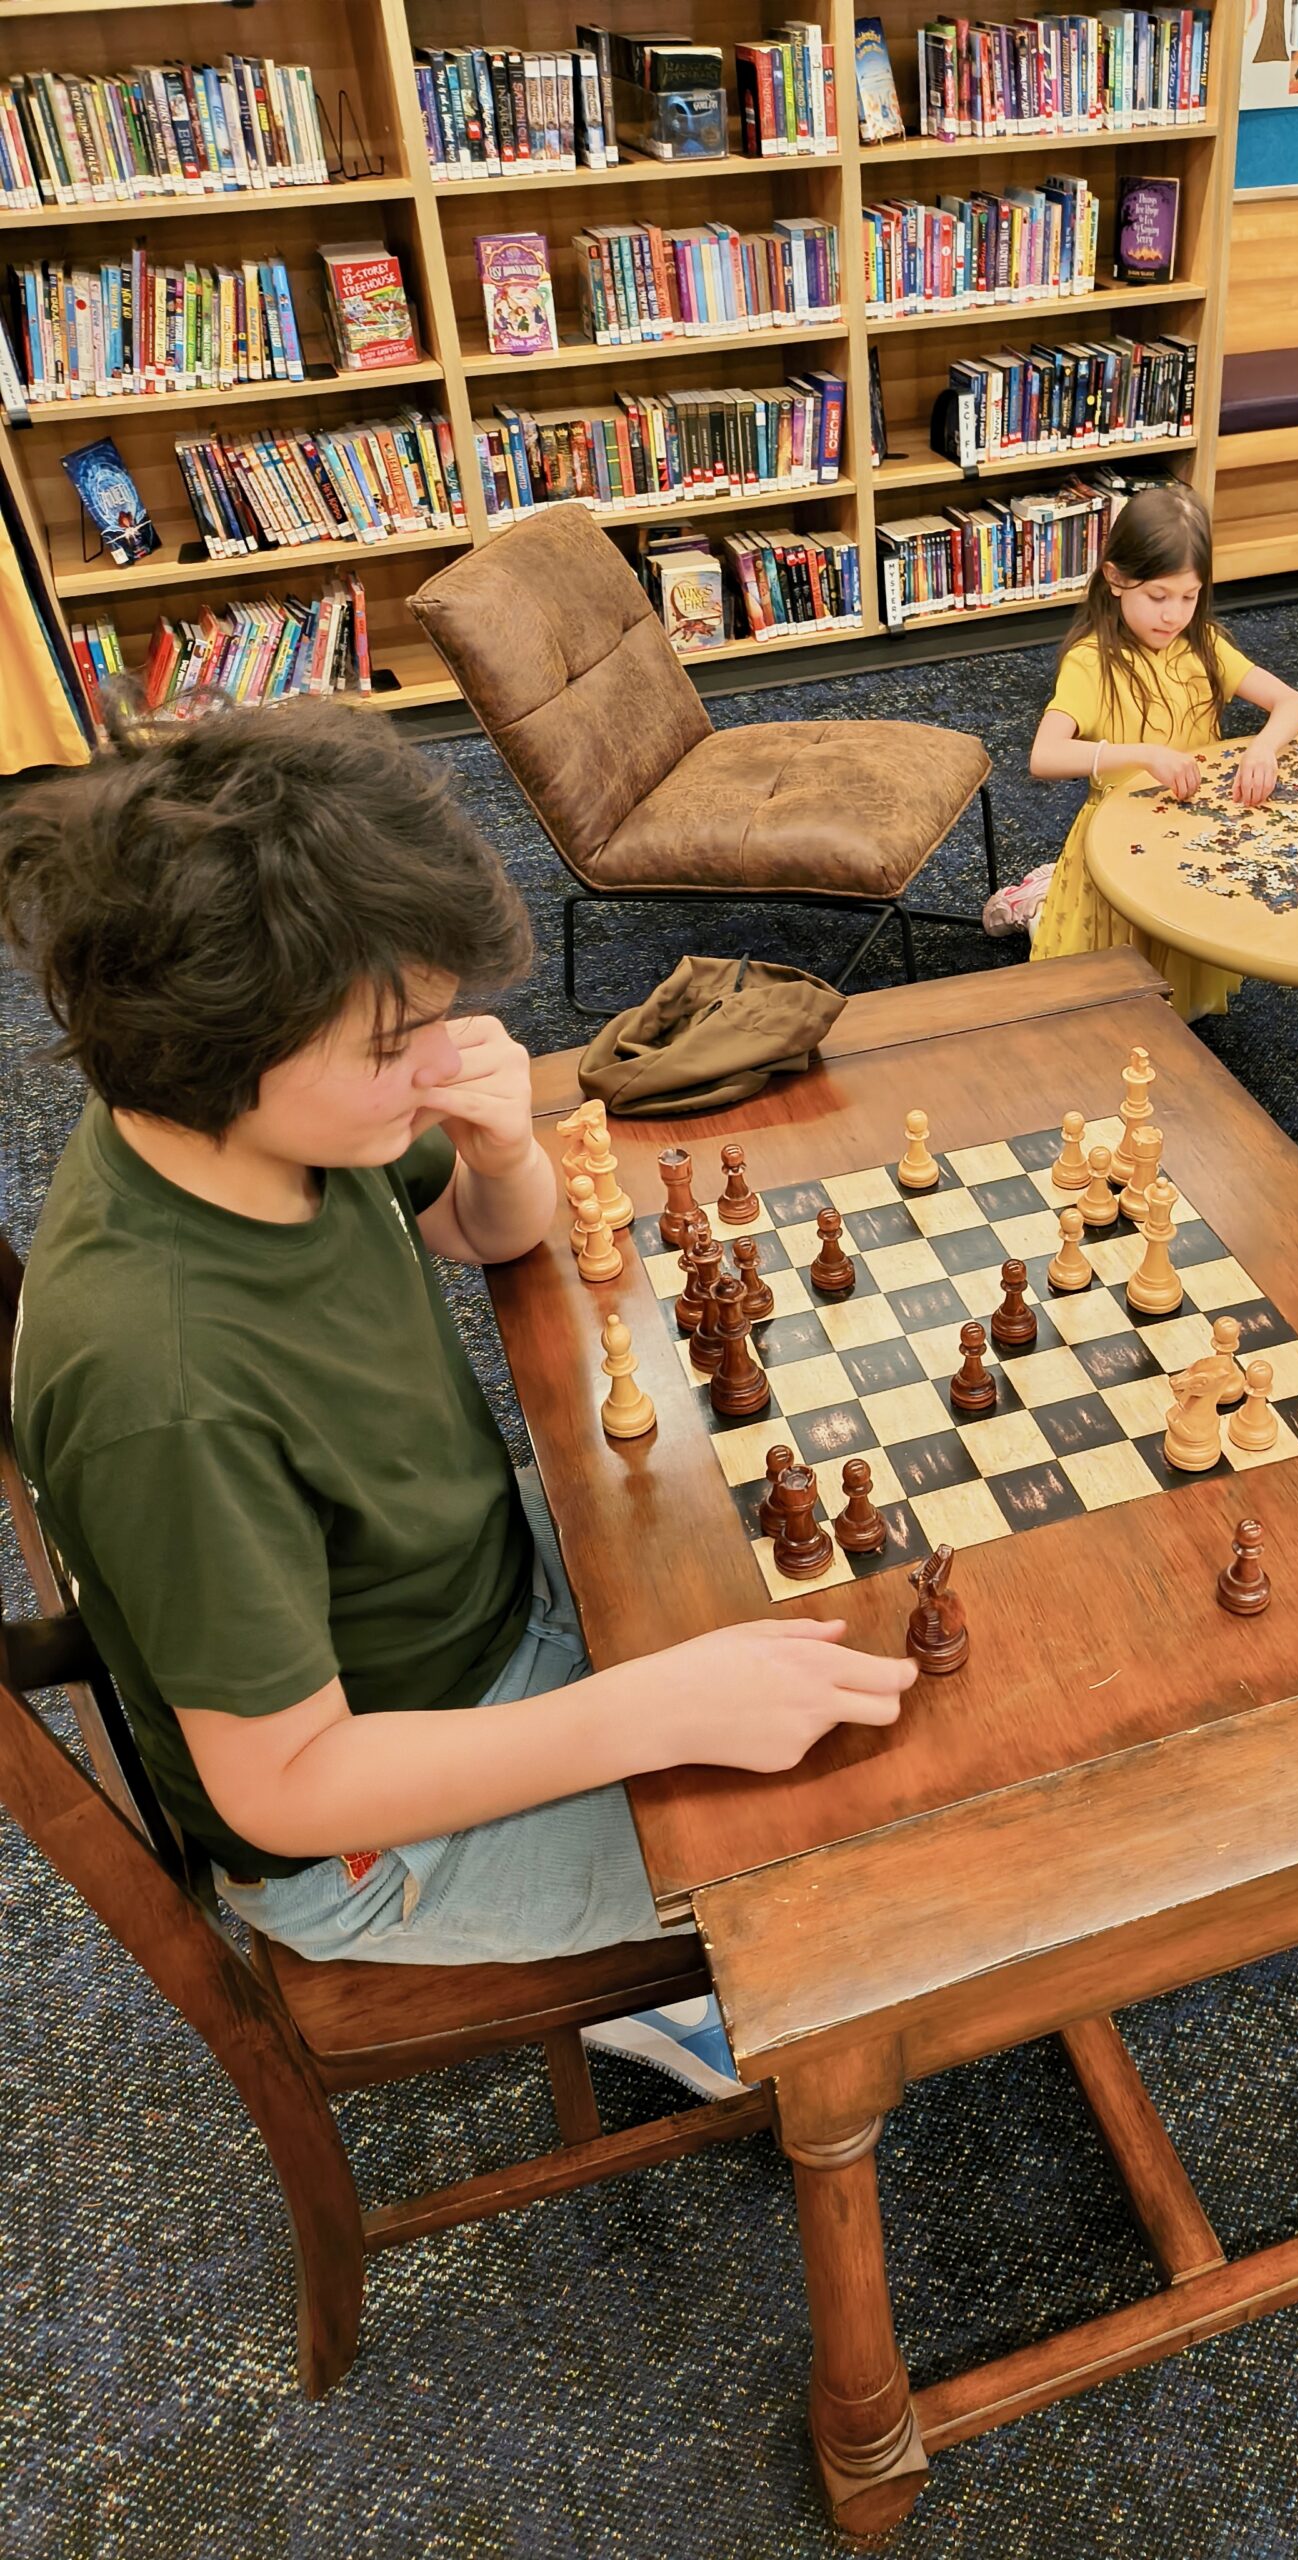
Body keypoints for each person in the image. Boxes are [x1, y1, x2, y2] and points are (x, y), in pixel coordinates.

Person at [1, 703, 916, 2098]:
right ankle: (687, 1990)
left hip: (485, 1593)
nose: (441, 1058)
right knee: (885, 1823)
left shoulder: (262, 1114)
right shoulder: (158, 1382)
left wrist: (498, 1153)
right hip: (371, 1837)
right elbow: (284, 1789)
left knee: (845, 1569)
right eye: (397, 1042)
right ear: (215, 1041)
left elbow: (490, 1234)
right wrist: (650, 1712)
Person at [1024, 482, 1298, 1018]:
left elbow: (1293, 703)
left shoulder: (1203, 645)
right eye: (1158, 597)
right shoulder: (1091, 661)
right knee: (1105, 996)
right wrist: (1142, 755)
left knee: (1179, 1001)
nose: (1173, 615)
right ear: (1115, 578)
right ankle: (1036, 904)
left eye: (1189, 596)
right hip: (1116, 842)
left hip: (1189, 837)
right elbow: (1044, 756)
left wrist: (1264, 749)